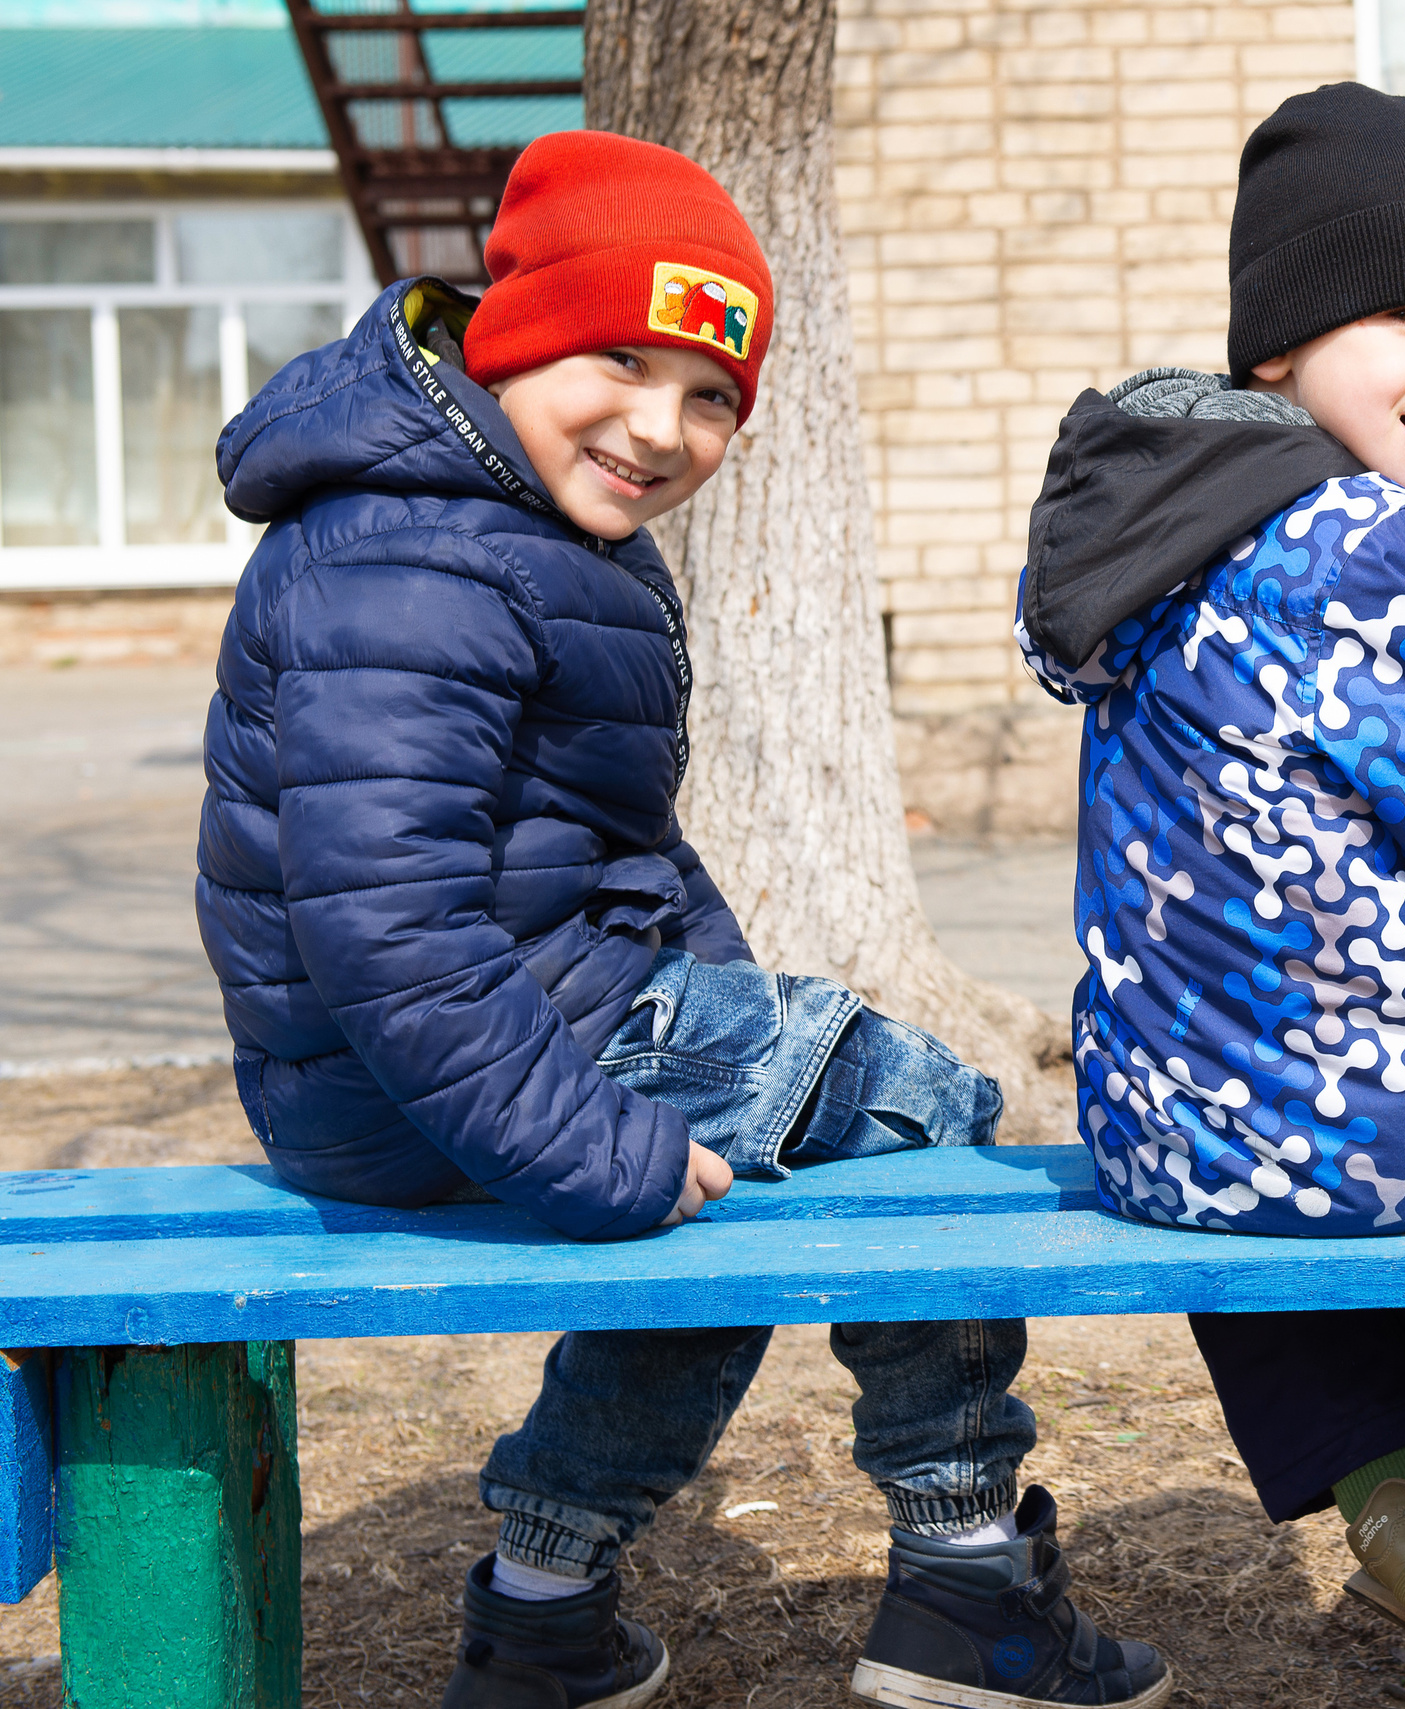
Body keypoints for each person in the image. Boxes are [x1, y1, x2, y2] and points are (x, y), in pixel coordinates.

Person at [197, 131, 1168, 1709]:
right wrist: (600, 1144)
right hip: (425, 1067)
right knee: (926, 1106)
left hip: (481, 1043)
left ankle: (545, 1612)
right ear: (513, 340)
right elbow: (390, 925)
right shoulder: (414, 554)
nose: (661, 426)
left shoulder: (510, 527)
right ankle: (965, 1578)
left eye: (711, 392)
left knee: (744, 1175)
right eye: (620, 361)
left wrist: (716, 1025)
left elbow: (622, 851)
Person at [1013, 83, 1405, 1663]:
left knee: (1269, 1153)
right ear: (1278, 346)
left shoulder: (1151, 540)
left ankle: (1389, 1485)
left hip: (1163, 1139)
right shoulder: (1367, 541)